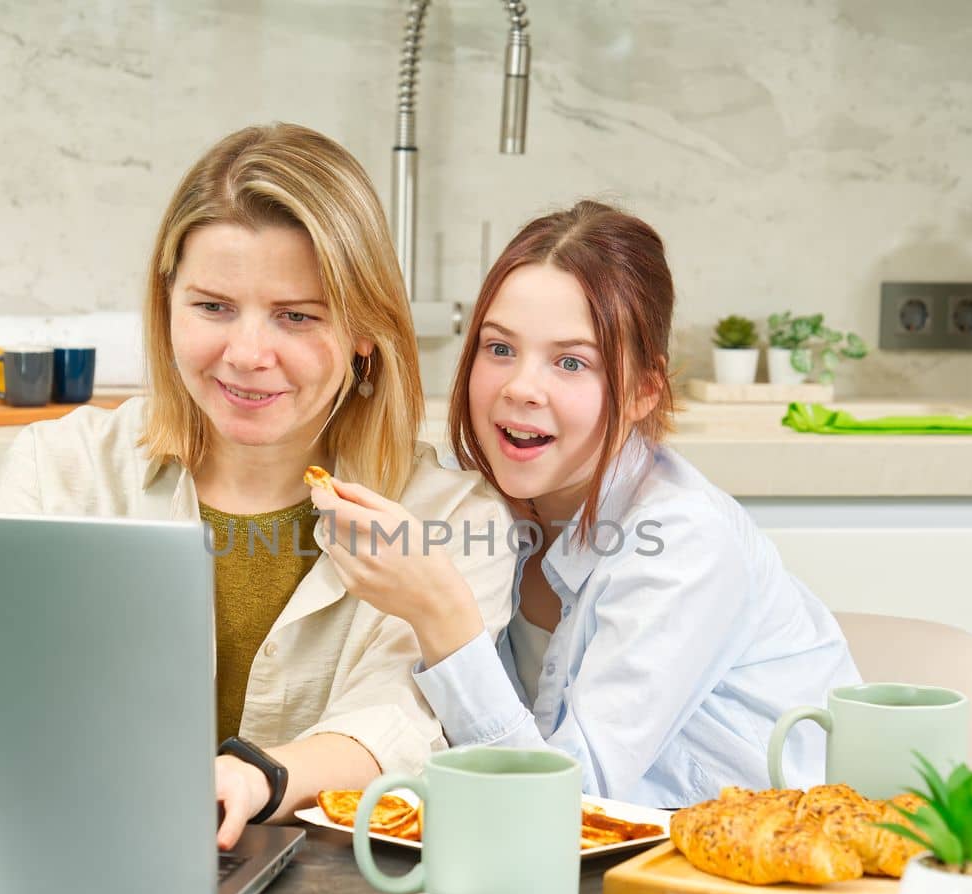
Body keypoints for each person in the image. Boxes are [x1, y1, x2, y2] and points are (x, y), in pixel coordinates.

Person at [0, 124, 515, 846]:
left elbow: (407, 720)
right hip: (73, 850)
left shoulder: (451, 518)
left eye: (297, 317)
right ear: (167, 303)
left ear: (366, 329)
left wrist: (257, 775)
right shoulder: (61, 468)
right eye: (213, 307)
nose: (246, 355)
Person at [311, 200, 860, 808]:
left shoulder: (684, 540)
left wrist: (442, 615)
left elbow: (570, 802)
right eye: (499, 350)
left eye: (571, 362)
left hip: (754, 872)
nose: (521, 387)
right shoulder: (483, 510)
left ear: (644, 390)